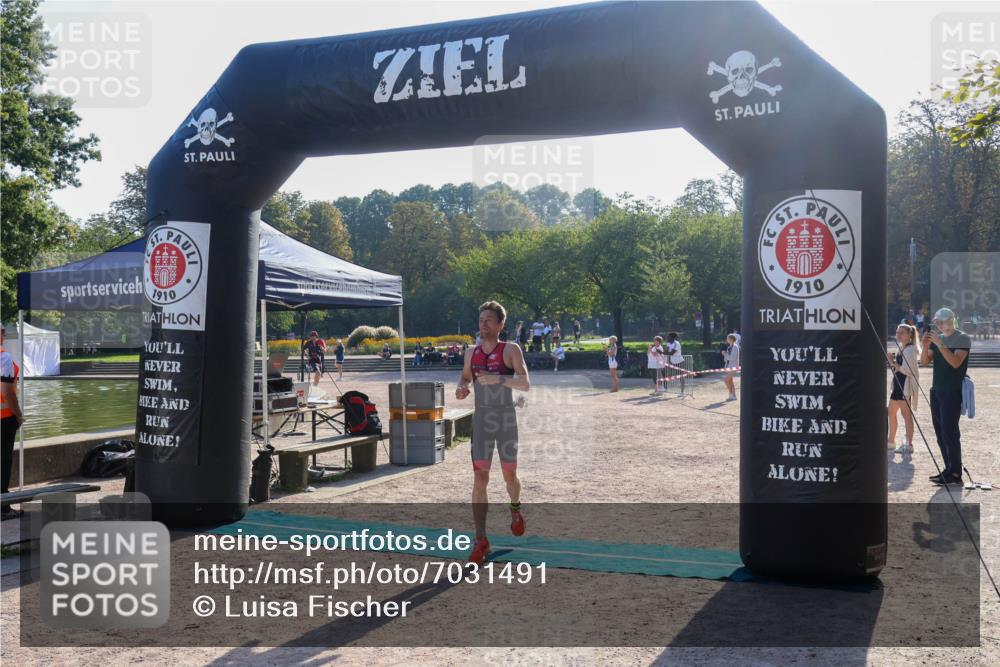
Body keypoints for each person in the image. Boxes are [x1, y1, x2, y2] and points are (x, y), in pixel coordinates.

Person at [455, 301, 531, 565]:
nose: (483, 323)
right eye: (481, 319)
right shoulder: (471, 353)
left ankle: (515, 507)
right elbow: (465, 377)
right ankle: (480, 539)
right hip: (482, 422)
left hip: (505, 420)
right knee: (480, 478)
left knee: (509, 475)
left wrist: (498, 378)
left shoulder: (510, 350)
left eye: (489, 319)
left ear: (500, 325)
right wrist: (461, 388)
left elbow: (525, 383)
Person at [919, 308, 971, 486]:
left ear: (951, 320)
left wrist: (940, 343)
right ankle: (949, 469)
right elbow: (925, 362)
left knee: (950, 432)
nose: (940, 325)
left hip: (952, 391)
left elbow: (956, 363)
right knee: (940, 433)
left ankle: (955, 472)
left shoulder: (962, 337)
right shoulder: (937, 339)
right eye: (938, 322)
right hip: (937, 390)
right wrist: (925, 346)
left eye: (942, 321)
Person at [1, 325, 24, 520]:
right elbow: (7, 392)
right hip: (4, 418)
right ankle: (3, 508)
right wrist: (19, 415)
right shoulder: (3, 357)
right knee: (3, 461)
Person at [888, 323, 920, 454]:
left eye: (902, 332)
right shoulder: (902, 347)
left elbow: (908, 370)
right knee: (891, 413)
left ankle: (909, 444)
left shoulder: (911, 349)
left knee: (906, 415)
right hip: (897, 384)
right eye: (897, 332)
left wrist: (891, 361)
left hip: (904, 385)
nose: (899, 335)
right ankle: (890, 441)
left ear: (909, 335)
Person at [722, 333, 741, 401]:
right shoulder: (729, 347)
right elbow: (726, 359)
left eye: (728, 338)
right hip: (729, 366)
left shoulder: (735, 347)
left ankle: (731, 395)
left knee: (726, 380)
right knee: (730, 381)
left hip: (733, 367)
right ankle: (733, 396)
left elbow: (732, 358)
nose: (727, 339)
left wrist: (725, 354)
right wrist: (725, 355)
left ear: (731, 339)